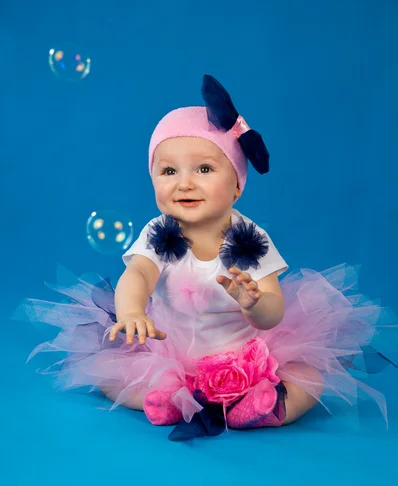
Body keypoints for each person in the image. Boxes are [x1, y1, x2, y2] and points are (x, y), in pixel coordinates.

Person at [17, 74, 397, 441]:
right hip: (170, 353)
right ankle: (166, 400)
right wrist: (132, 311)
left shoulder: (250, 239)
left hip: (245, 359)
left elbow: (273, 313)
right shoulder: (158, 231)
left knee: (309, 379)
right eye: (168, 171)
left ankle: (268, 406)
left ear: (236, 185)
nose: (184, 182)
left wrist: (254, 304)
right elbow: (138, 275)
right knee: (107, 372)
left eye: (203, 169)